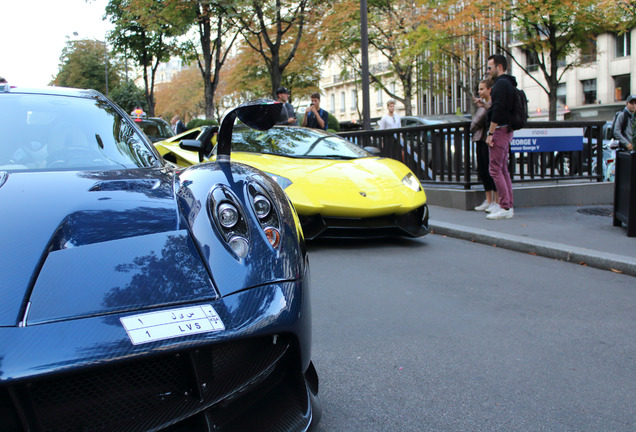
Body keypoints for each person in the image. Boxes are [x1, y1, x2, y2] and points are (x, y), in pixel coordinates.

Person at [485, 54, 516, 220]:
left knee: (495, 169)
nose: (488, 71)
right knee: (503, 169)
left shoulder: (500, 85)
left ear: (499, 67)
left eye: (490, 67)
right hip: (507, 130)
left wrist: (490, 133)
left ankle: (504, 206)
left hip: (500, 130)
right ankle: (507, 205)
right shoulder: (509, 83)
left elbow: (498, 110)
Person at [471, 79, 498, 212]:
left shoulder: (491, 103)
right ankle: (489, 200)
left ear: (489, 89)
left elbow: (476, 122)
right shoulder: (485, 104)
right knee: (483, 169)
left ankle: (495, 201)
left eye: (482, 89)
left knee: (491, 169)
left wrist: (482, 106)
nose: (480, 92)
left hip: (486, 138)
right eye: (479, 89)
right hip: (481, 138)